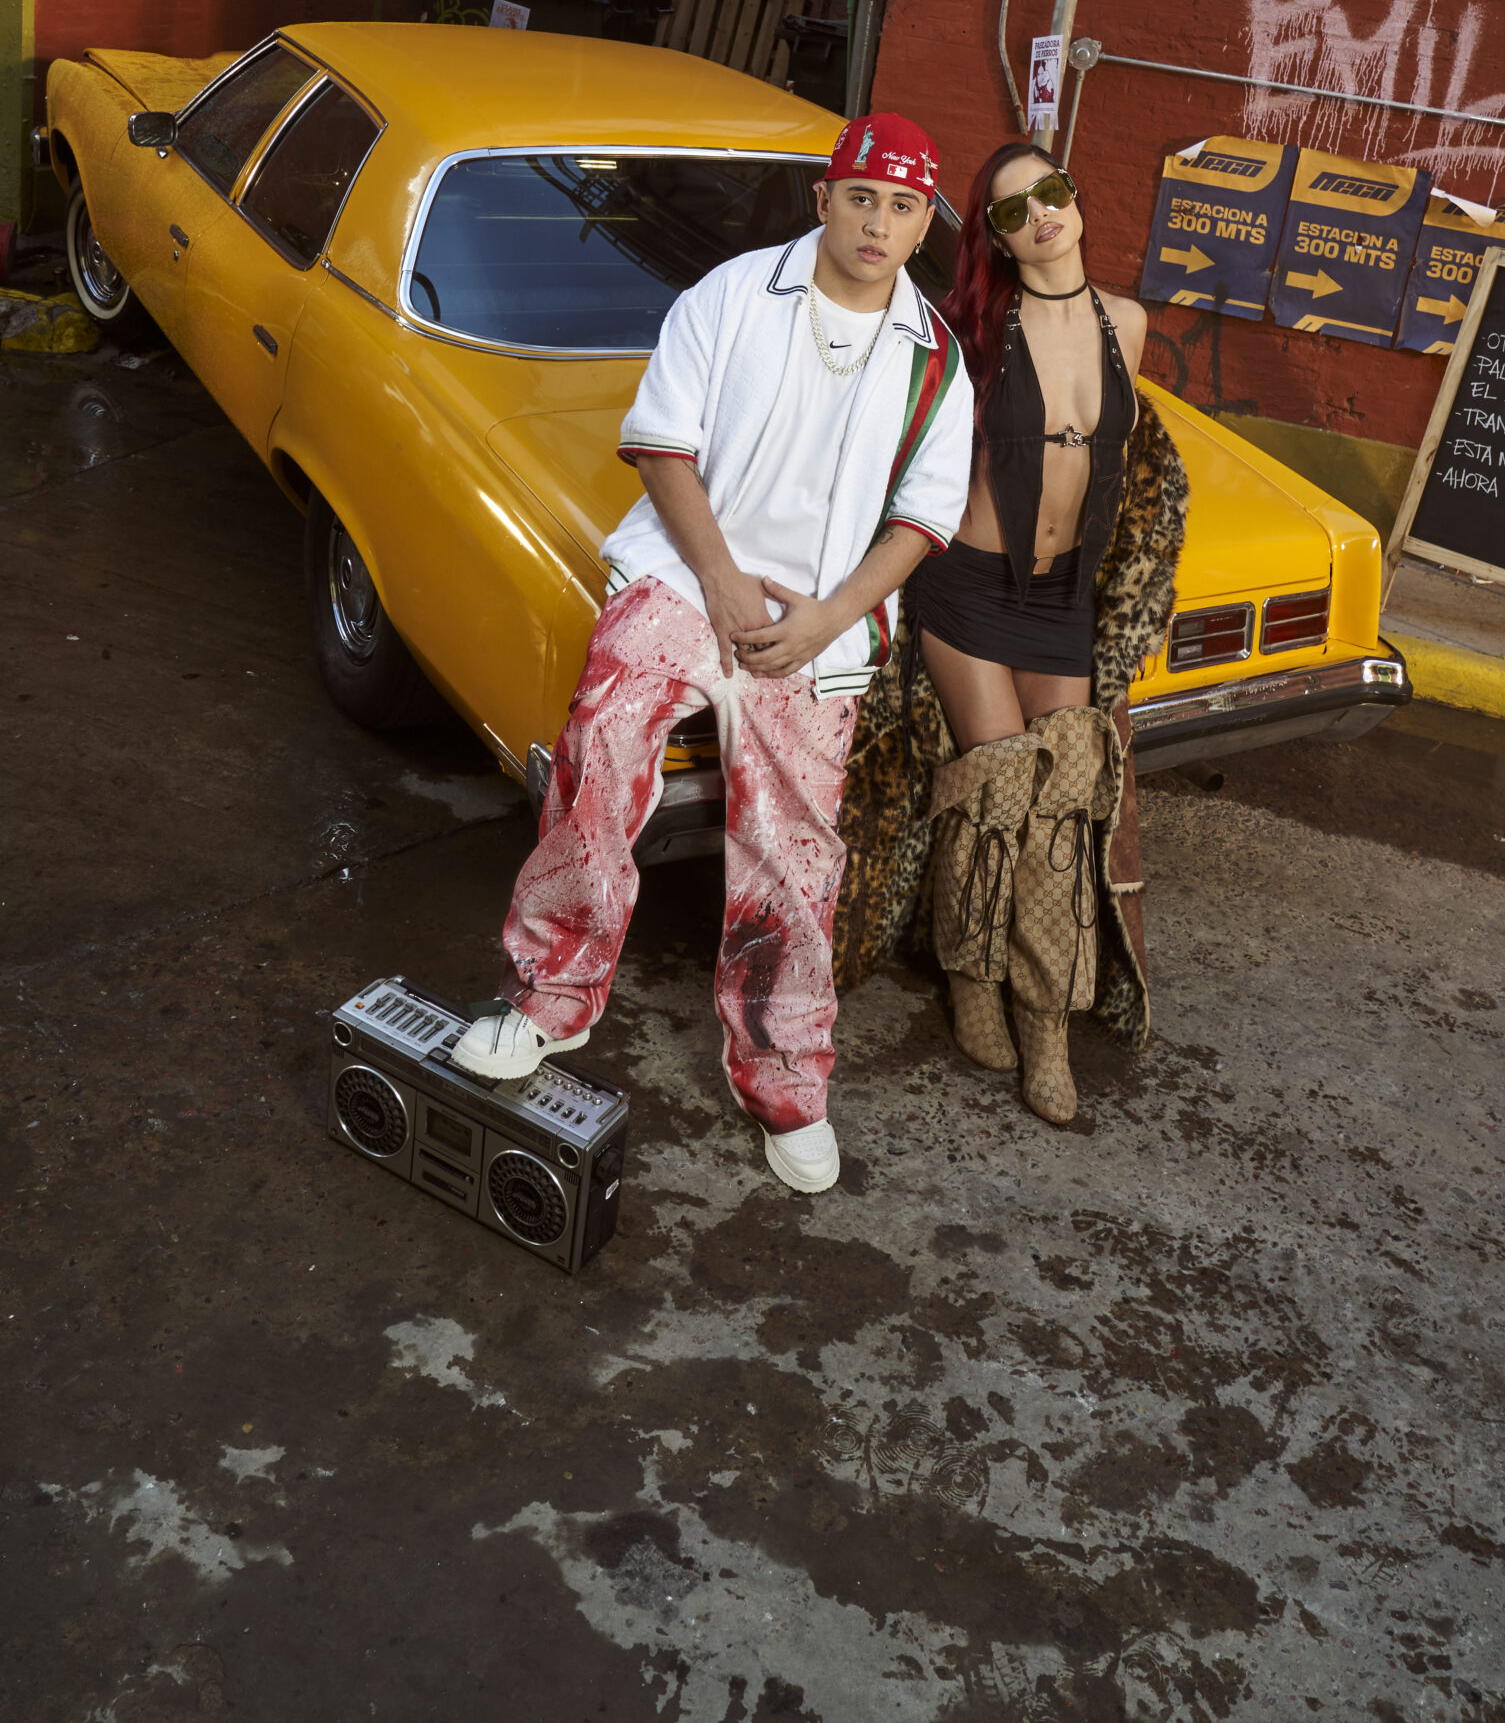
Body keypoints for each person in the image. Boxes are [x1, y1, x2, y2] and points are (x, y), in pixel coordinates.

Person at [452, 113, 973, 1196]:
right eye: (862, 197)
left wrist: (829, 619)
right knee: (602, 744)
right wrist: (724, 580)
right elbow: (664, 450)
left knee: (793, 845)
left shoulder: (936, 360)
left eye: (903, 206)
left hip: (816, 617)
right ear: (824, 199)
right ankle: (551, 994)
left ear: (924, 225)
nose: (878, 223)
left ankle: (784, 1071)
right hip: (690, 579)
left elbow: (921, 521)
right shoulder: (732, 295)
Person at [831, 141, 1189, 1127]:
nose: (1040, 215)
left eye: (1051, 193)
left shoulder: (1127, 324)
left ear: (1076, 200)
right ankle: (976, 984)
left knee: (1062, 806)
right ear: (991, 237)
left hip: (1062, 600)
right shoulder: (971, 330)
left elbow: (1129, 471)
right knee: (995, 793)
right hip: (969, 588)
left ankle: (1046, 1017)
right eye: (1010, 210)